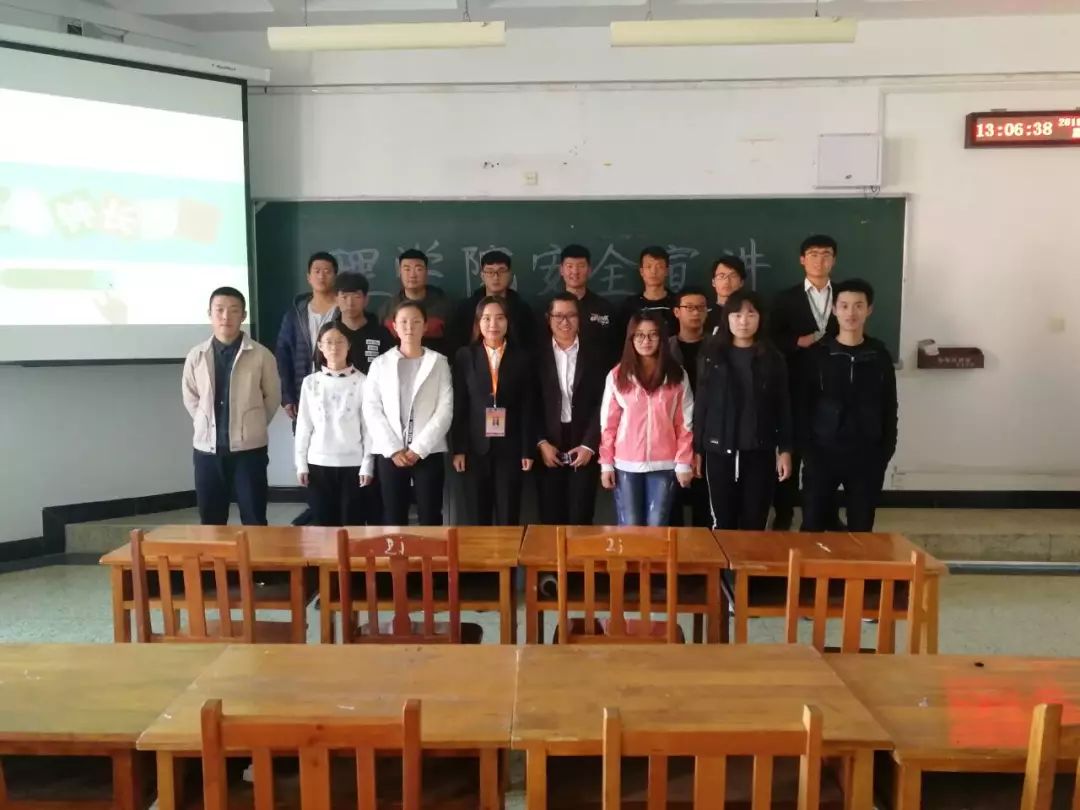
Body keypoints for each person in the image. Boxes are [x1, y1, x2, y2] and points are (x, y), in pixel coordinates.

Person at [798, 279, 897, 533]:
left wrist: (884, 452)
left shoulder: (879, 355)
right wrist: (808, 451)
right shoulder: (819, 354)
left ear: (869, 309)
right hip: (822, 453)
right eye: (844, 306)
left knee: (861, 529)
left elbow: (889, 406)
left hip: (866, 454)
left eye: (858, 306)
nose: (851, 313)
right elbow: (803, 406)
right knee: (812, 526)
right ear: (834, 309)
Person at [694, 290, 793, 530]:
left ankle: (750, 558)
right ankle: (725, 559)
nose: (743, 321)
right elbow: (702, 405)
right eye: (737, 315)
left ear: (760, 318)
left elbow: (783, 406)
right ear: (727, 318)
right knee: (723, 522)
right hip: (719, 451)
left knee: (755, 522)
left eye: (750, 314)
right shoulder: (712, 356)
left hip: (759, 450)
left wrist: (785, 450)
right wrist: (696, 449)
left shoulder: (773, 358)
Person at [182, 287, 280, 526]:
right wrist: (204, 422)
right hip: (207, 451)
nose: (226, 316)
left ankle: (256, 554)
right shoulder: (196, 355)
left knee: (254, 518)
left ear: (243, 315)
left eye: (234, 310)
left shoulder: (262, 355)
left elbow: (272, 397)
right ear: (210, 314)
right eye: (220, 310)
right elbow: (190, 397)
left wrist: (252, 424)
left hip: (250, 452)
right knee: (211, 520)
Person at [769, 234, 841, 530]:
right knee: (790, 453)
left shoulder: (846, 297)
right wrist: (797, 342)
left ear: (834, 260)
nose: (819, 260)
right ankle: (784, 513)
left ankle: (828, 514)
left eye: (826, 254)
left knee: (828, 456)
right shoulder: (785, 298)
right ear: (802, 260)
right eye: (813, 254)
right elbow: (771, 340)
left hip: (834, 389)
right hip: (795, 386)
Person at [599, 312, 694, 526]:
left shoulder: (677, 375)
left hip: (665, 463)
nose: (646, 341)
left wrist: (683, 462)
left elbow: (684, 423)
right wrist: (606, 463)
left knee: (657, 524)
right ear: (631, 339)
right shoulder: (617, 376)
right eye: (639, 335)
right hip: (625, 463)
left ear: (662, 338)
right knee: (630, 525)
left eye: (653, 335)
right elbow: (608, 424)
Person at [363, 301, 454, 526]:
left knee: (430, 515)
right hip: (390, 452)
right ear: (394, 326)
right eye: (403, 322)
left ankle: (430, 552)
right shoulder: (380, 364)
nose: (409, 327)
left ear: (425, 326)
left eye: (416, 322)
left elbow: (445, 409)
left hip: (428, 451)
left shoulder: (439, 363)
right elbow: (371, 408)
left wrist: (419, 448)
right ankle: (398, 552)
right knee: (394, 515)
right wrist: (393, 448)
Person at [452, 297, 535, 525]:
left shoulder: (523, 357)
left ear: (508, 322)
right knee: (477, 517)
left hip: (511, 449)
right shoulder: (465, 356)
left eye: (499, 318)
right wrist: (459, 449)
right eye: (486, 318)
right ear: (478, 322)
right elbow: (460, 405)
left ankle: (508, 553)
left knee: (509, 516)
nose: (493, 325)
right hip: (475, 450)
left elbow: (528, 407)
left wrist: (527, 450)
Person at [275, 251, 338, 527]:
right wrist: (287, 395)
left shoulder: (344, 310)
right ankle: (316, 507)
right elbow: (283, 353)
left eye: (327, 270)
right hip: (304, 394)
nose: (322, 275)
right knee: (307, 452)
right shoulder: (296, 314)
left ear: (335, 275)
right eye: (317, 271)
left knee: (339, 450)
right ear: (308, 277)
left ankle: (333, 509)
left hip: (339, 393)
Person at [535, 293, 606, 525]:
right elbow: (529, 403)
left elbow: (604, 402)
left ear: (580, 318)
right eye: (558, 316)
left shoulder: (596, 354)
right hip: (548, 443)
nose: (564, 322)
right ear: (549, 319)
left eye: (571, 315)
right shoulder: (536, 355)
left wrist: (589, 444)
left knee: (581, 516)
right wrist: (541, 442)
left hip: (583, 441)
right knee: (550, 518)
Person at [294, 322, 375, 527]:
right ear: (320, 346)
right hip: (318, 464)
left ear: (349, 345)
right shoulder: (310, 382)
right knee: (322, 526)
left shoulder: (364, 382)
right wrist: (301, 463)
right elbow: (303, 426)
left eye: (340, 341)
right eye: (328, 342)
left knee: (352, 525)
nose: (334, 347)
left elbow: (369, 429)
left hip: (353, 465)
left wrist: (367, 464)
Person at [668, 287, 712, 527]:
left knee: (704, 509)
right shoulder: (663, 349)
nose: (695, 313)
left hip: (709, 434)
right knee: (671, 509)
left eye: (701, 308)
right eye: (689, 307)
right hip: (671, 436)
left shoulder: (718, 348)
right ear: (677, 312)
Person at [450, 250, 537, 353]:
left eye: (501, 271)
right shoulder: (466, 308)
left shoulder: (522, 309)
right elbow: (457, 343)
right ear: (482, 276)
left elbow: (530, 345)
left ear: (510, 275)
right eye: (490, 272)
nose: (496, 277)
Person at [377, 249, 454, 356]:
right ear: (400, 272)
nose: (412, 275)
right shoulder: (387, 309)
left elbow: (454, 345)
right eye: (407, 269)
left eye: (418, 269)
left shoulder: (444, 306)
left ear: (426, 272)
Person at [557, 244, 618, 362]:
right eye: (569, 266)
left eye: (581, 266)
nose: (575, 271)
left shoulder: (605, 308)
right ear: (561, 270)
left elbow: (614, 347)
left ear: (589, 270)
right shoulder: (551, 309)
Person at [333, 272, 394, 374]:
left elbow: (390, 368)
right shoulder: (330, 333)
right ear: (336, 300)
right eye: (344, 297)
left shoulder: (381, 333)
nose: (350, 303)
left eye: (356, 297)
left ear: (366, 300)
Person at [615, 246, 679, 339]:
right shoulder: (630, 306)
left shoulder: (678, 303)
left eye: (659, 267)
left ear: (666, 271)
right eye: (649, 267)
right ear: (641, 271)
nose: (654, 271)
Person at [704, 255, 747, 336]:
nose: (727, 281)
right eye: (721, 276)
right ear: (713, 282)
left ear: (741, 282)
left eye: (733, 276)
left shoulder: (748, 314)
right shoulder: (703, 315)